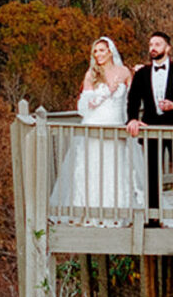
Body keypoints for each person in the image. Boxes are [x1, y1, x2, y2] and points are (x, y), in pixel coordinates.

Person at [50, 37, 142, 222]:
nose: (98, 54)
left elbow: (133, 99)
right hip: (95, 128)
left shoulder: (124, 72)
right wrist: (108, 91)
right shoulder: (91, 74)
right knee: (93, 171)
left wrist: (141, 74)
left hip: (117, 127)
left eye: (102, 50)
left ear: (110, 51)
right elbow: (84, 107)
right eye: (96, 51)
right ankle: (90, 216)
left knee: (116, 170)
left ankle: (118, 214)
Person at [126, 31, 173, 227]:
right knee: (152, 174)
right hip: (151, 128)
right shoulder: (142, 74)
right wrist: (133, 119)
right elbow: (132, 100)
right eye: (151, 44)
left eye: (158, 44)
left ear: (167, 48)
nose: (153, 47)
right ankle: (153, 218)